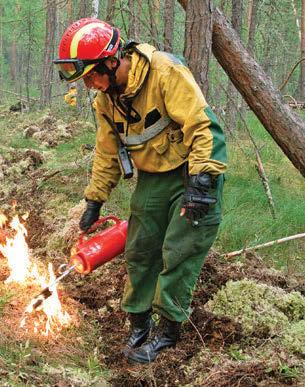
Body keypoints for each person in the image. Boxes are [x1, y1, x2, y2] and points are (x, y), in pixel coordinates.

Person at [53, 18, 227, 364]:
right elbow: (107, 151)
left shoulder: (164, 72)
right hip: (153, 176)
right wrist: (95, 198)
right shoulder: (105, 99)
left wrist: (203, 180)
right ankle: (139, 321)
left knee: (178, 250)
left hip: (192, 172)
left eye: (91, 75)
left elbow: (202, 124)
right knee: (140, 249)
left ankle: (168, 330)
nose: (89, 84)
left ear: (111, 61)